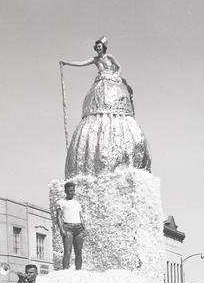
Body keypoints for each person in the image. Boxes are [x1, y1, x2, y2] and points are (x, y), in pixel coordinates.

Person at [60, 37, 151, 178]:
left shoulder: (110, 57)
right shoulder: (95, 60)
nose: (98, 48)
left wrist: (116, 76)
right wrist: (67, 63)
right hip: (100, 84)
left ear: (103, 47)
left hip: (112, 83)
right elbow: (81, 63)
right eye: (97, 47)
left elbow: (120, 67)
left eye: (100, 46)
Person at [56, 181, 86, 270]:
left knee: (79, 252)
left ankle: (78, 271)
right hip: (68, 228)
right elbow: (59, 216)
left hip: (78, 228)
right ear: (65, 191)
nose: (70, 192)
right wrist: (61, 229)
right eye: (68, 191)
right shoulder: (61, 202)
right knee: (67, 251)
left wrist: (84, 228)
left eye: (72, 190)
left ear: (74, 191)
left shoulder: (77, 203)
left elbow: (81, 217)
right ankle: (65, 271)